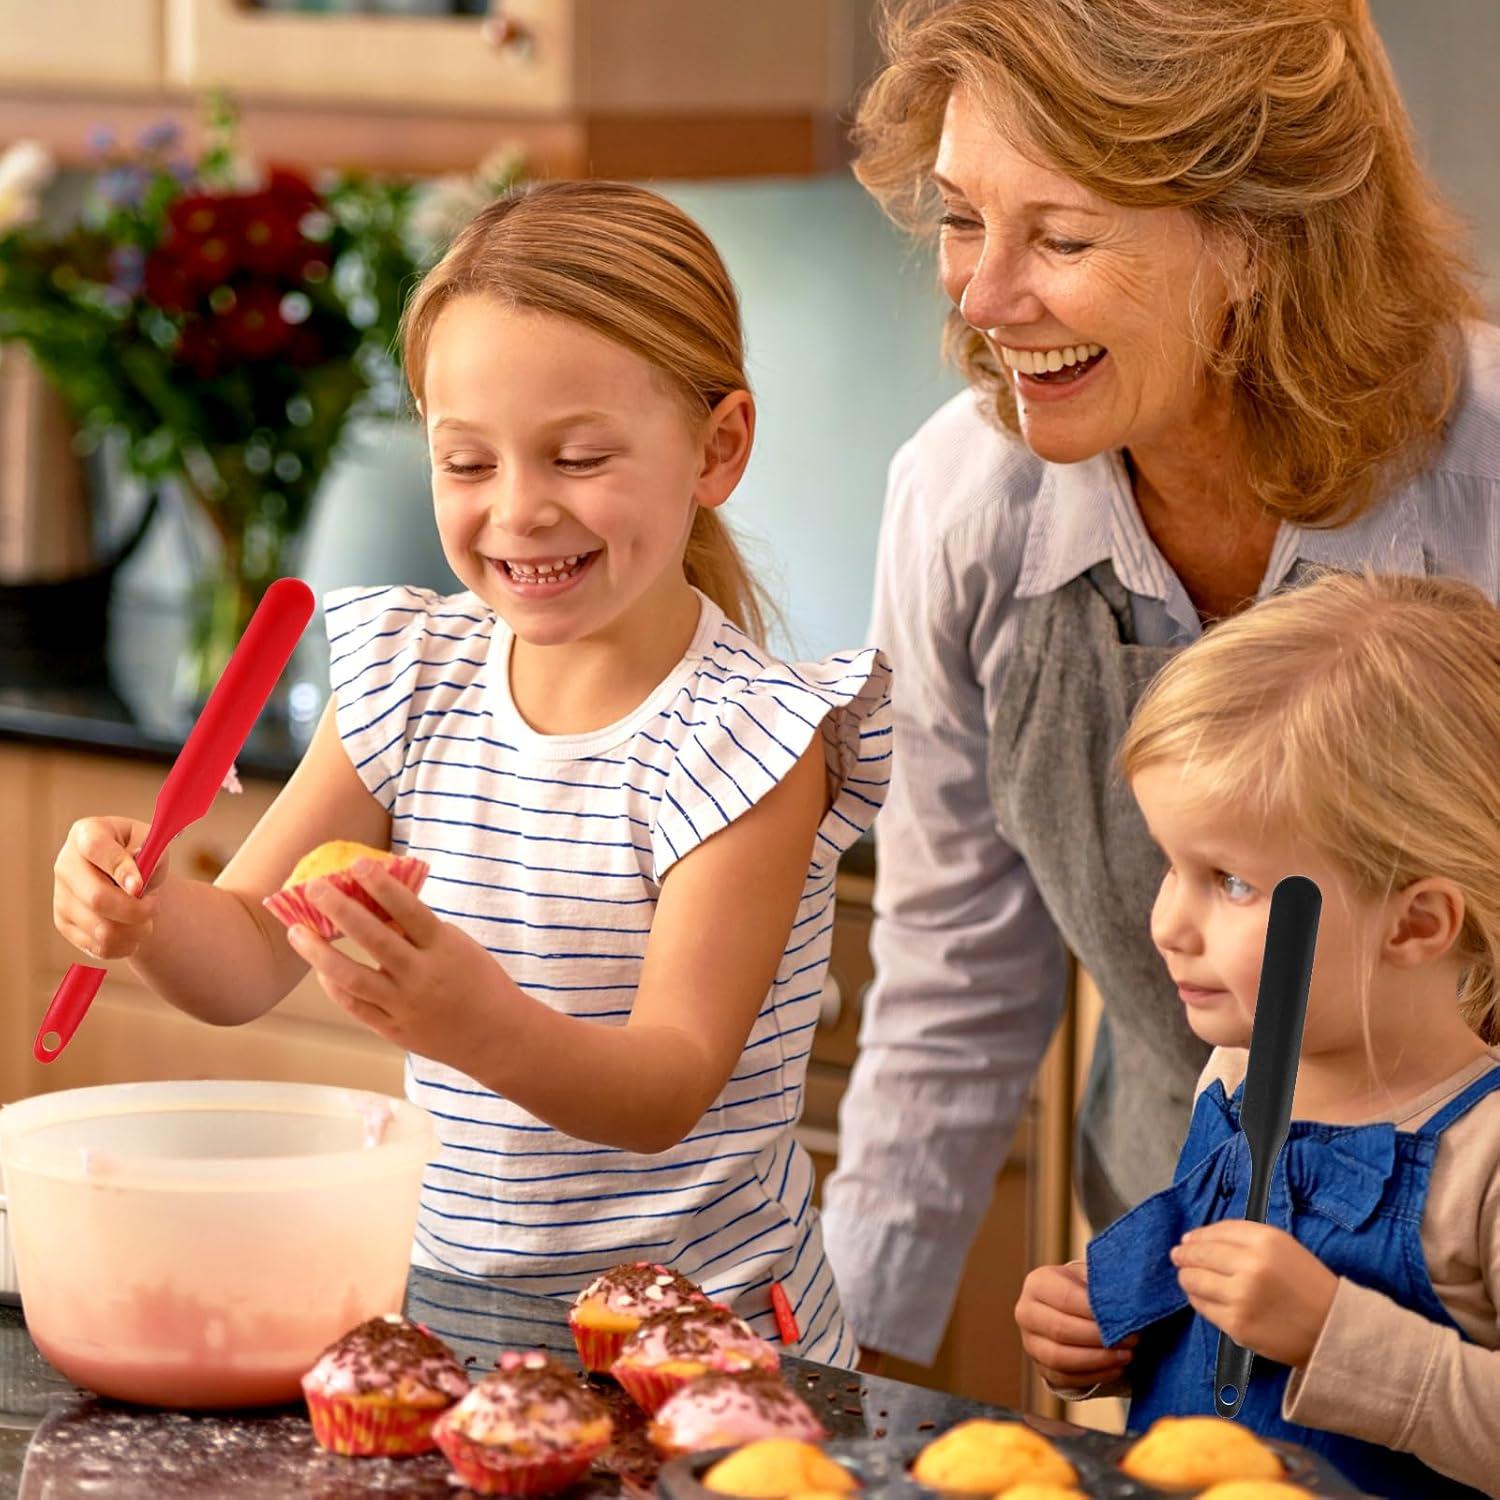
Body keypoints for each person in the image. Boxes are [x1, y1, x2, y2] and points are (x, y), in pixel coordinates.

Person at [50, 181, 892, 1367]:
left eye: (579, 456)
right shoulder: (412, 674)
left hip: (707, 1337)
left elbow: (665, 1087)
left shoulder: (751, 738)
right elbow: (242, 954)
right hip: (452, 1316)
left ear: (719, 448)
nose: (520, 511)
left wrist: (474, 1022)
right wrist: (141, 913)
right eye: (467, 462)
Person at [820, 0, 1500, 1368]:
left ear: (1258, 238)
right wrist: (830, 1376)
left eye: (1062, 237)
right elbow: (953, 983)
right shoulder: (968, 507)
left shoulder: (1486, 488)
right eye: (962, 218)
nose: (981, 294)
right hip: (1173, 1290)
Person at [1015, 570, 1500, 1498]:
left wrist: (1334, 1337)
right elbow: (1208, 1339)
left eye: (1231, 881)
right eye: (1173, 865)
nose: (1167, 923)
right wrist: (1098, 1325)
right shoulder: (1228, 1078)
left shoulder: (1485, 1163)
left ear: (1416, 924)